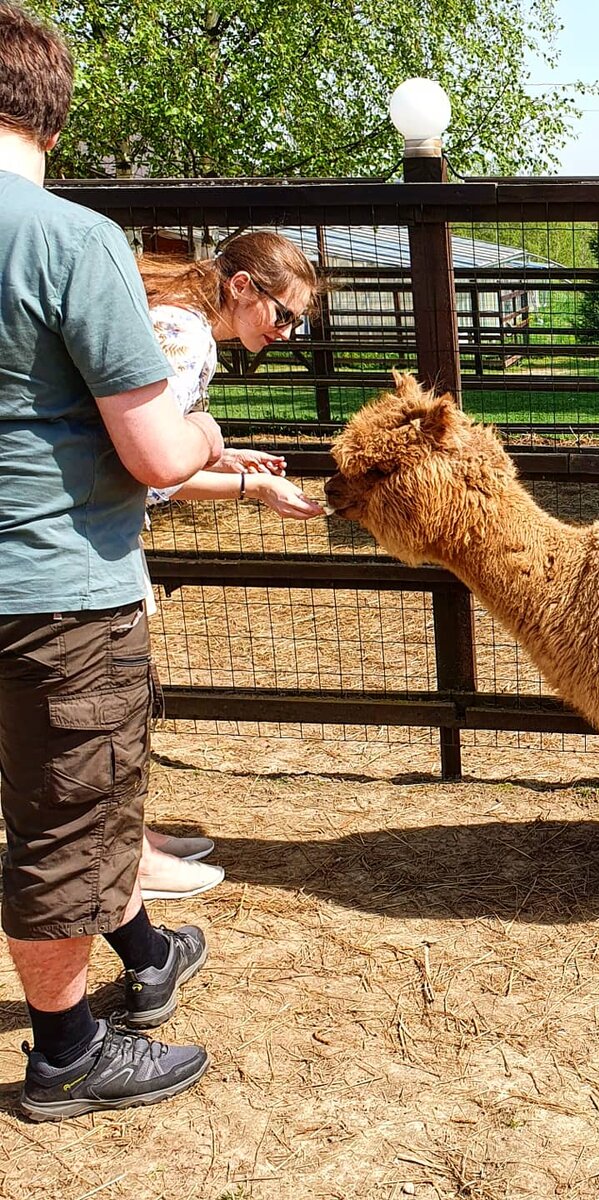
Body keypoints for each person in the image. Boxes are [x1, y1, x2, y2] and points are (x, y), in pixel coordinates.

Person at [0, 3, 224, 1119]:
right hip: (52, 588)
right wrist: (209, 440)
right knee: (65, 818)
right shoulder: (67, 239)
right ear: (50, 105)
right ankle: (68, 1052)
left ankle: (144, 952)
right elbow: (151, 449)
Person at [134, 231, 325, 902]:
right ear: (241, 287)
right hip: (91, 537)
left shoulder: (168, 319)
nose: (287, 332)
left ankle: (128, 842)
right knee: (111, 702)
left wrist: (220, 453)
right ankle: (129, 862)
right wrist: (250, 486)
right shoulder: (186, 338)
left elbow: (156, 441)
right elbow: (155, 473)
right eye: (284, 315)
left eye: (296, 323)